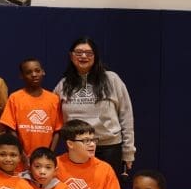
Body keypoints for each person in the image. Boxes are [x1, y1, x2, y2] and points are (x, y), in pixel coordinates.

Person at [53, 37, 135, 180]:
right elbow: (52, 116)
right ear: (71, 56)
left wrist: (128, 152)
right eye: (79, 52)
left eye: (89, 53)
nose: (83, 56)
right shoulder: (63, 84)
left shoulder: (112, 79)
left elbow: (126, 116)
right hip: (76, 148)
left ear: (95, 56)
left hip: (108, 147)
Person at [0, 58, 62, 157]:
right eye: (28, 72)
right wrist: (22, 154)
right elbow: (11, 129)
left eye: (37, 71)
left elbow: (57, 130)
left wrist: (50, 154)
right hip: (21, 158)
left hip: (45, 159)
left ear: (43, 72)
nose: (34, 74)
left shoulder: (54, 99)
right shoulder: (15, 98)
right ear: (21, 76)